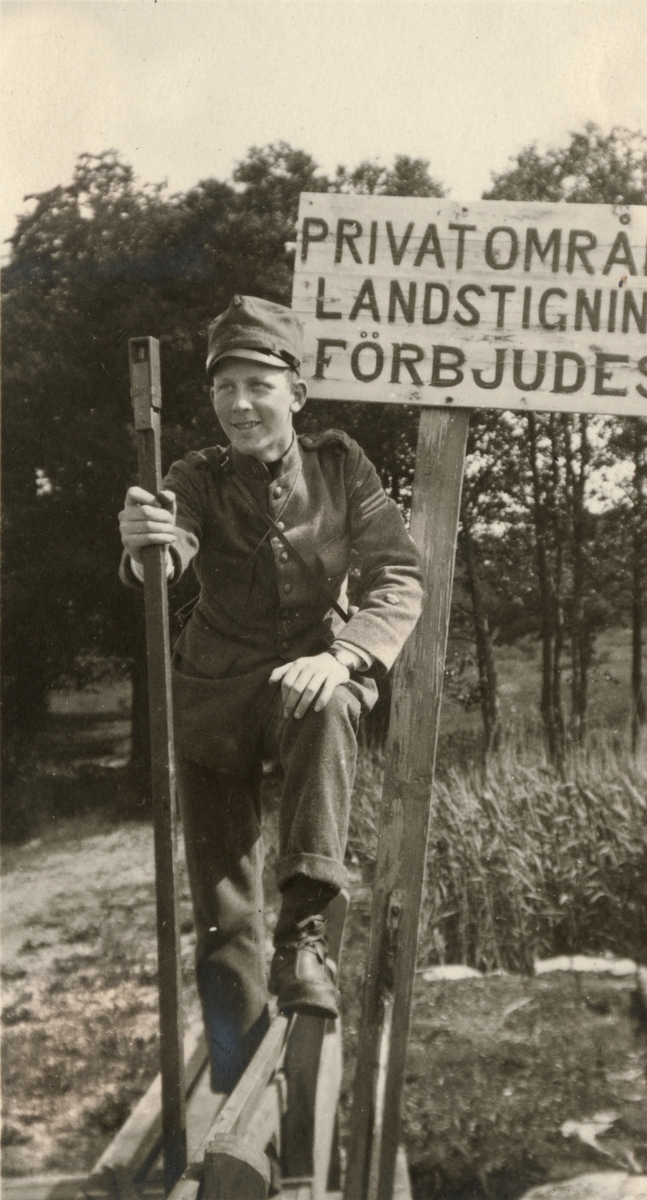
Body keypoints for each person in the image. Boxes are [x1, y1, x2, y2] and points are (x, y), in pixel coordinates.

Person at [119, 295, 423, 1092]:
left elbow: (396, 573)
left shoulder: (340, 465)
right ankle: (237, 1079)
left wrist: (345, 655)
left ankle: (306, 935)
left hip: (305, 684)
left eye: (258, 384)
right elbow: (172, 546)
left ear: (297, 392)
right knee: (222, 902)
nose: (241, 404)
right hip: (213, 696)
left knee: (330, 703)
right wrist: (150, 545)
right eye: (225, 387)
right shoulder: (194, 475)